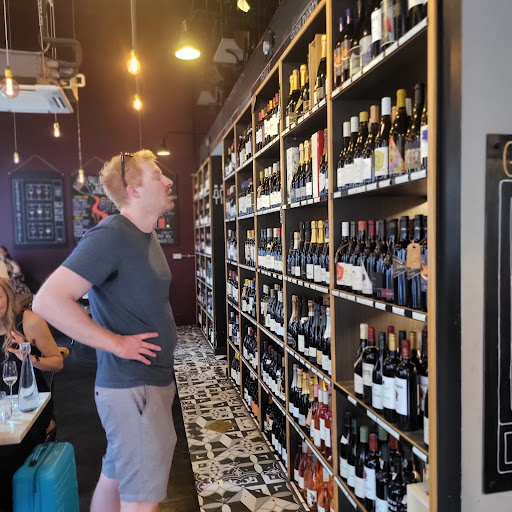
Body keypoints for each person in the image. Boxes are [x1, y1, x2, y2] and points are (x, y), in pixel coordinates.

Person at [33, 150, 178, 512]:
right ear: (134, 190)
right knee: (142, 500)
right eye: (157, 176)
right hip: (134, 387)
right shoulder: (112, 235)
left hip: (143, 385)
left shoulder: (144, 234)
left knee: (114, 477)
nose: (168, 181)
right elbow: (48, 301)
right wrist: (116, 343)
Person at [0, 277, 64, 511]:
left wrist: (28, 355)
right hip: (2, 407)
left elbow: (57, 362)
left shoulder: (29, 322)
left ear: (8, 295)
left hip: (31, 404)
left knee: (6, 457)